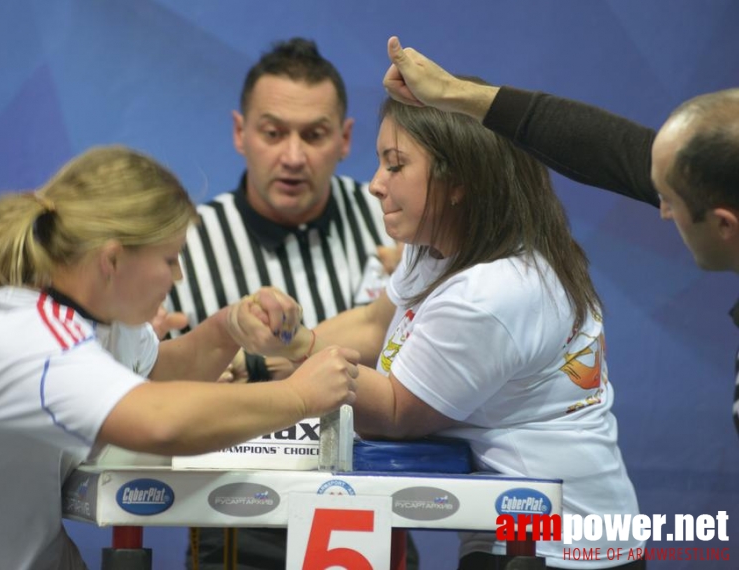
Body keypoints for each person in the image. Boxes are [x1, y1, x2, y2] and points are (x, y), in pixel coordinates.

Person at [0, 145, 359, 570]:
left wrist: (227, 328)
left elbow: (157, 377)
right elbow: (159, 419)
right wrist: (299, 395)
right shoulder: (17, 334)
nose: (178, 277)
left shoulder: (96, 317)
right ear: (112, 260)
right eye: (170, 260)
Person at [274, 96, 645, 569]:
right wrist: (256, 361)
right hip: (521, 534)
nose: (374, 185)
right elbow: (373, 323)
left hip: (556, 550)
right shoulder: (442, 248)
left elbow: (392, 412)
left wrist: (294, 344)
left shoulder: (492, 293)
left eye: (396, 165)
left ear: (459, 182)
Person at [379, 35, 739, 432]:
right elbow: (614, 149)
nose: (664, 212)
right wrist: (453, 94)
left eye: (670, 199)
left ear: (725, 225)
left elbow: (396, 412)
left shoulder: (497, 291)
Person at [162, 38, 409, 569]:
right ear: (240, 133)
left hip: (378, 500)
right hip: (233, 514)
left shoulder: (392, 220)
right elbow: (164, 391)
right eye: (273, 133)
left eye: (314, 135)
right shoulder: (183, 245)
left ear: (344, 139)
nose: (293, 156)